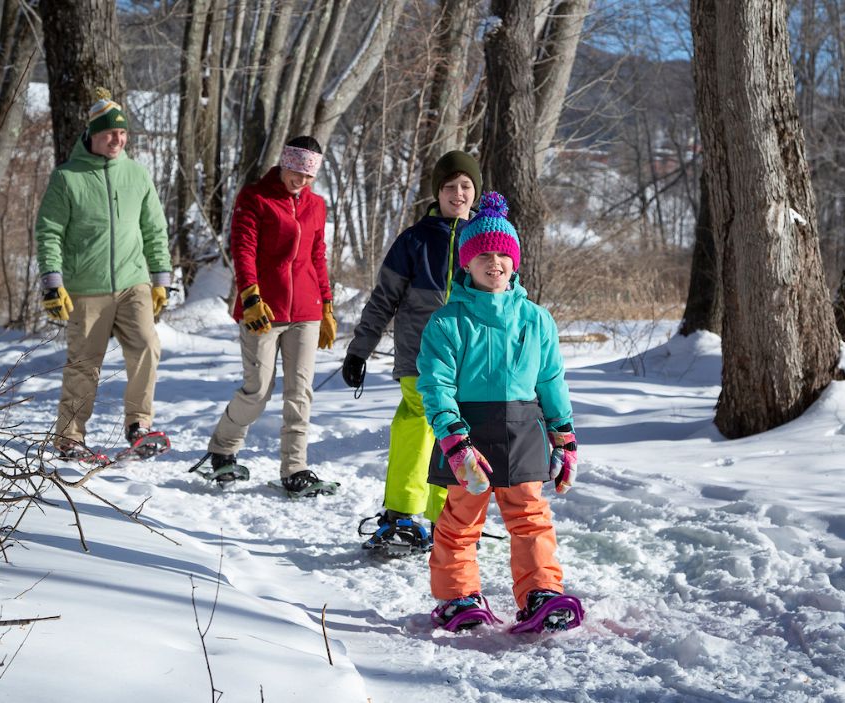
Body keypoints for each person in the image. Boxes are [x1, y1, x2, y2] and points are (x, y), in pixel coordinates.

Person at [416, 192, 584, 633]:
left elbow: (550, 381)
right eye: (484, 254)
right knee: (459, 520)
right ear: (466, 264)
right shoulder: (447, 321)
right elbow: (435, 386)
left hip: (523, 428)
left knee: (530, 517)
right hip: (468, 436)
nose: (495, 262)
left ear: (515, 261)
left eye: (503, 254)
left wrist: (563, 437)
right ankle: (458, 598)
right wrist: (454, 440)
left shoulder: (536, 319)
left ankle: (540, 593)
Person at [343, 150, 482, 554]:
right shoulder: (415, 240)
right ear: (437, 191)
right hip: (420, 356)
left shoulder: (487, 241)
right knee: (419, 424)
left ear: (476, 192)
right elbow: (383, 299)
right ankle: (401, 514)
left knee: (459, 434)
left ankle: (449, 520)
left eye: (466, 186)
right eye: (450, 186)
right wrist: (360, 350)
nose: (458, 193)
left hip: (469, 361)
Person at [36, 88, 171, 459]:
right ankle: (70, 437)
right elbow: (48, 231)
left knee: (147, 346)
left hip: (133, 282)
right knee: (84, 364)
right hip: (85, 287)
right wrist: (52, 281)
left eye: (123, 133)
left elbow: (155, 229)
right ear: (93, 134)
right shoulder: (67, 177)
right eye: (111, 132)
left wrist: (161, 278)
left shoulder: (137, 175)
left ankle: (139, 425)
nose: (118, 139)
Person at [200, 135, 338, 494]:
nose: (301, 181)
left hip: (305, 310)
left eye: (309, 176)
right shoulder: (255, 197)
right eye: (296, 172)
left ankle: (295, 469)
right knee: (258, 390)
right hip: (262, 308)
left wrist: (325, 303)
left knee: (300, 392)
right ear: (284, 163)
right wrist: (249, 294)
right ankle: (222, 449)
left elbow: (317, 256)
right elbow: (243, 247)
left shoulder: (317, 205)